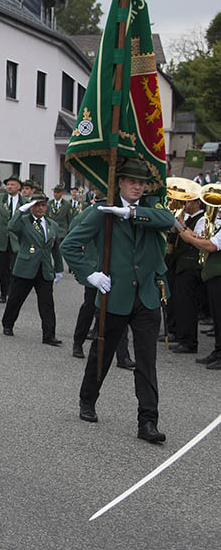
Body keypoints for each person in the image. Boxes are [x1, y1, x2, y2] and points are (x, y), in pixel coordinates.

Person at [61, 159, 175, 444]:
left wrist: (131, 213)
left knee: (147, 361)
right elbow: (70, 245)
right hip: (114, 295)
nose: (138, 186)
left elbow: (168, 220)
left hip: (147, 296)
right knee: (102, 353)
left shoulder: (151, 207)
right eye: (132, 181)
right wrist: (91, 275)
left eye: (142, 182)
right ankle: (87, 399)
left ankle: (147, 421)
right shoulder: (102, 211)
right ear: (119, 182)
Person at [68, 205, 136, 369]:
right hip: (95, 268)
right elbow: (74, 227)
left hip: (116, 272)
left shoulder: (123, 212)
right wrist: (93, 210)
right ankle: (78, 343)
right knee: (89, 308)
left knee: (120, 313)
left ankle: (122, 356)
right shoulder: (94, 211)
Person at [0, 190, 63, 345]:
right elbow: (11, 226)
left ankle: (49, 335)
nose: (40, 208)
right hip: (26, 267)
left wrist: (59, 268)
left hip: (44, 268)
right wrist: (21, 210)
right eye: (37, 205)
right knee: (16, 299)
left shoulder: (52, 225)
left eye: (43, 205)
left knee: (47, 303)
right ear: (31, 207)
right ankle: (8, 324)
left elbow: (56, 247)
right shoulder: (24, 221)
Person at [179, 209, 221, 368]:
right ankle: (217, 351)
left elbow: (210, 245)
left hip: (218, 277)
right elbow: (204, 238)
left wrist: (188, 238)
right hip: (213, 277)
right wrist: (183, 227)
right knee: (217, 318)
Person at [163, 194, 204, 354]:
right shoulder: (187, 217)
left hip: (191, 266)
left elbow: (195, 238)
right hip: (179, 264)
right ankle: (179, 334)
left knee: (187, 304)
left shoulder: (201, 219)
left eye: (189, 201)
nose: (185, 204)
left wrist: (181, 225)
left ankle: (189, 341)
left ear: (197, 203)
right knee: (179, 302)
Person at [0, 175, 27, 303]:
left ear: (19, 186)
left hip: (17, 241)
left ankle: (12, 292)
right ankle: (3, 292)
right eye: (8, 184)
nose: (9, 187)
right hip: (1, 240)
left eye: (12, 184)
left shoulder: (25, 202)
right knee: (2, 269)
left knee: (14, 268)